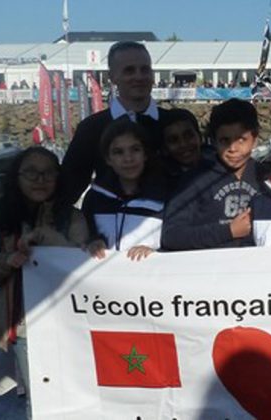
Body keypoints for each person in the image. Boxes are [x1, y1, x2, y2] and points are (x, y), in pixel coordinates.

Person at [0, 147, 91, 403]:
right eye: (31, 173)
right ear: (17, 177)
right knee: (13, 405)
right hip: (10, 335)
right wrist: (5, 261)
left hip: (62, 335)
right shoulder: (2, 224)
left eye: (48, 173)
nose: (40, 179)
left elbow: (82, 267)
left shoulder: (73, 219)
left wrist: (47, 240)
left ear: (58, 177)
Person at [60, 41, 172, 204]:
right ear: (112, 77)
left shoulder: (175, 123)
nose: (139, 77)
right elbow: (69, 187)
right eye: (129, 70)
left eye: (145, 69)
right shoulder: (91, 129)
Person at [162, 99, 268, 250]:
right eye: (225, 140)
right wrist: (228, 231)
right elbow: (171, 235)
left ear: (255, 139)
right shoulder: (193, 181)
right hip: (210, 268)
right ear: (213, 141)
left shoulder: (267, 177)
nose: (233, 148)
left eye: (241, 139)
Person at [81, 119, 167, 260]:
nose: (128, 159)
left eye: (135, 150)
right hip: (102, 278)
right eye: (118, 152)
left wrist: (156, 252)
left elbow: (175, 240)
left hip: (150, 276)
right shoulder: (95, 198)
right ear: (108, 159)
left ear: (145, 154)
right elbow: (83, 237)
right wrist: (92, 241)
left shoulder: (164, 197)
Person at [159, 108, 205, 185]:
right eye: (173, 140)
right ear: (164, 149)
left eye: (188, 136)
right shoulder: (161, 184)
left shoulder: (220, 166)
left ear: (200, 137)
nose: (183, 144)